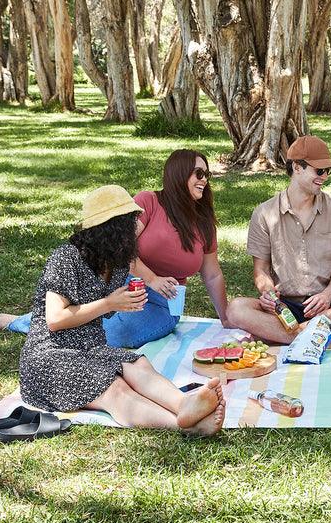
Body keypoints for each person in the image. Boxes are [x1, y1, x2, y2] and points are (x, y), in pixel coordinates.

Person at [18, 185, 225, 434]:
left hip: (91, 349)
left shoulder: (116, 264)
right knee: (115, 387)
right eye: (129, 223)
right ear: (110, 228)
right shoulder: (66, 258)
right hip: (49, 358)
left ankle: (184, 404)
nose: (135, 229)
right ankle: (184, 427)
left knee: (137, 364)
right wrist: (109, 304)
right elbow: (55, 319)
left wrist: (126, 303)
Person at [0, 149, 231, 348]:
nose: (204, 180)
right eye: (198, 173)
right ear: (178, 174)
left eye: (207, 174)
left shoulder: (204, 223)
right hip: (119, 282)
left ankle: (45, 324)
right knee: (80, 319)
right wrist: (151, 278)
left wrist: (226, 317)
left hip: (163, 303)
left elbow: (212, 274)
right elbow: (119, 247)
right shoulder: (149, 202)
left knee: (113, 336)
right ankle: (26, 322)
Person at [227, 135, 331, 349]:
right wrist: (268, 294)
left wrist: (328, 294)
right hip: (283, 307)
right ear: (297, 167)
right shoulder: (264, 213)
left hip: (327, 305)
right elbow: (261, 269)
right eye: (319, 171)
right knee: (236, 309)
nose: (324, 177)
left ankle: (277, 337)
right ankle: (326, 342)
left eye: (328, 171)